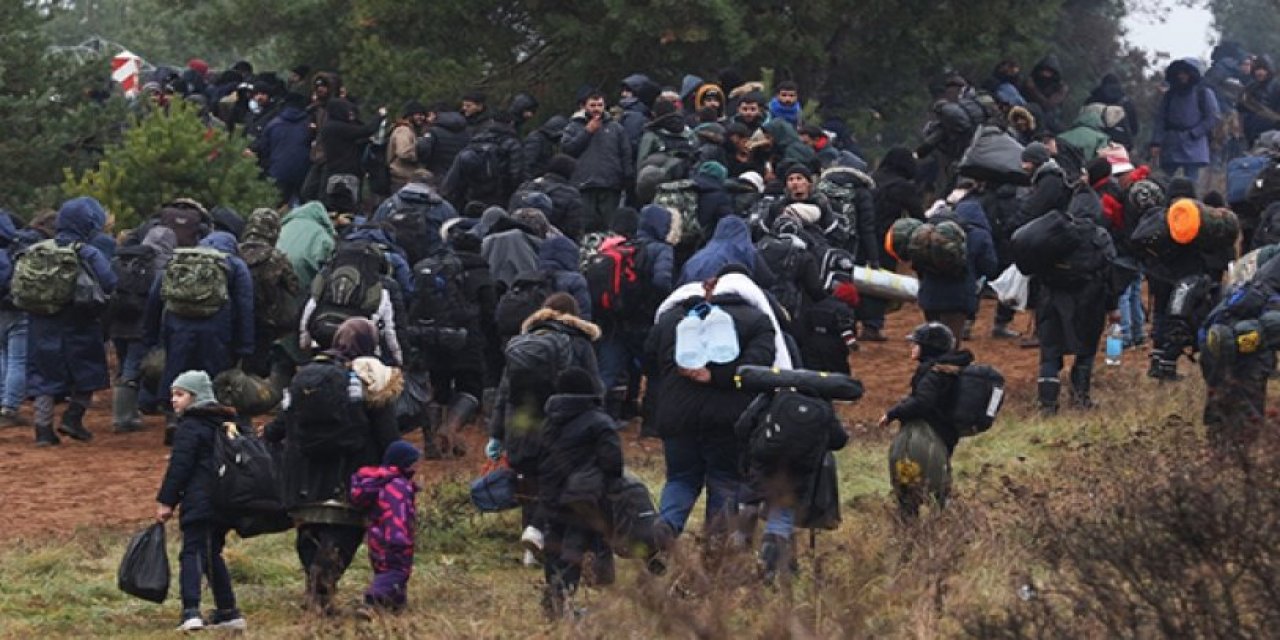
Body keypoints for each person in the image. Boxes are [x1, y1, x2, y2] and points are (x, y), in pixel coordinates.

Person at [265, 318, 402, 613]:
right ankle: (321, 592)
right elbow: (388, 435)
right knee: (343, 534)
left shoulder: (304, 376)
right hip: (349, 472)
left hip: (302, 477)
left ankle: (316, 593)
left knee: (310, 532)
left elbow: (278, 427)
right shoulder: (370, 378)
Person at [645, 269, 779, 545]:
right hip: (729, 421)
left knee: (680, 479)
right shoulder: (759, 321)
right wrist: (718, 376)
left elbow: (648, 360)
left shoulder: (673, 319)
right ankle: (715, 548)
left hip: (677, 417)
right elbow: (758, 367)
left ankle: (665, 529)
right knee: (724, 480)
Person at [486, 293, 602, 566]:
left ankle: (530, 549)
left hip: (521, 428)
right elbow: (595, 388)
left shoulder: (523, 343)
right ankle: (553, 543)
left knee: (530, 484)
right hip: (563, 427)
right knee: (562, 484)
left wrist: (496, 434)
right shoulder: (580, 343)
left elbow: (504, 393)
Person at [155, 370, 246, 632]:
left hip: (200, 500)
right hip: (226, 501)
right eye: (173, 394)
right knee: (210, 554)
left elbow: (180, 468)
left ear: (195, 397)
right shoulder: (227, 423)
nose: (174, 400)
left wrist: (166, 501)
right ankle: (228, 611)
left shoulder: (190, 427)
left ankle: (191, 611)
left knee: (192, 553)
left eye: (180, 394)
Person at [145, 231, 254, 443]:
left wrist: (150, 335)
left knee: (176, 371)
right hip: (217, 329)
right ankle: (211, 426)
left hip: (176, 327)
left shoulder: (179, 260)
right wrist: (245, 345)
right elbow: (245, 305)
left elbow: (155, 297)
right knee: (214, 377)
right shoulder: (234, 265)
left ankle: (173, 420)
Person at [27, 197, 118, 447]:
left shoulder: (38, 250)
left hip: (41, 323)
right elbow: (110, 281)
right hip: (79, 322)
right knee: (88, 371)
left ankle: (43, 429)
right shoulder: (86, 251)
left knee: (44, 376)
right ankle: (73, 417)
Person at [536, 367, 623, 618]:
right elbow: (612, 461)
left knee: (554, 546)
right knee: (573, 548)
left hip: (551, 493)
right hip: (584, 496)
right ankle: (561, 602)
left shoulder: (549, 420)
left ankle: (553, 601)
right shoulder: (599, 421)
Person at [878, 322, 973, 516]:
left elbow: (922, 402)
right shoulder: (948, 368)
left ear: (929, 347)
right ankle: (943, 524)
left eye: (916, 344)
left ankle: (912, 524)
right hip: (944, 434)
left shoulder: (934, 372)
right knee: (939, 480)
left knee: (911, 484)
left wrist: (893, 413)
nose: (912, 347)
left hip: (929, 434)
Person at [349, 439, 421, 615]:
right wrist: (399, 539)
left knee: (386, 572)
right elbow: (397, 515)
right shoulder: (398, 486)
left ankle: (394, 605)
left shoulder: (380, 483)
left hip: (377, 538)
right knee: (397, 571)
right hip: (394, 539)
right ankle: (371, 602)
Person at [861, 148, 924, 342]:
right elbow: (917, 214)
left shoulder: (870, 178)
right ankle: (872, 325)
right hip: (886, 238)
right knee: (880, 280)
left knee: (860, 279)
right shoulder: (902, 186)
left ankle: (854, 323)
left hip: (862, 234)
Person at [562, 92, 634, 233]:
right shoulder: (573, 127)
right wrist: (587, 132)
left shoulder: (616, 128)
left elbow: (626, 153)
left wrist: (627, 176)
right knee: (586, 227)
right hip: (584, 184)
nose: (596, 109)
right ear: (584, 106)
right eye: (592, 105)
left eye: (600, 105)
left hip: (610, 184)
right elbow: (568, 150)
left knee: (610, 227)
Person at [1150, 58, 1220, 183]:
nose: (1182, 76)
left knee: (1191, 182)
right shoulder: (1170, 95)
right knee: (1164, 180)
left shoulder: (1203, 93)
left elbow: (1212, 118)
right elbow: (1160, 119)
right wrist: (1156, 142)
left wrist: (1194, 133)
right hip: (1172, 142)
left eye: (1185, 73)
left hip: (1194, 143)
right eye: (1180, 73)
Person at [250, 92, 312, 206]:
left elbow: (264, 149)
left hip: (278, 172)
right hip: (304, 175)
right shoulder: (309, 125)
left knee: (276, 205)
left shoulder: (274, 124)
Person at [386, 100, 429, 194]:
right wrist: (419, 153)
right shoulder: (403, 130)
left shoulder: (412, 130)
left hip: (406, 178)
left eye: (423, 115)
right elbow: (403, 153)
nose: (421, 117)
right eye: (418, 114)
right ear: (410, 115)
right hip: (401, 179)